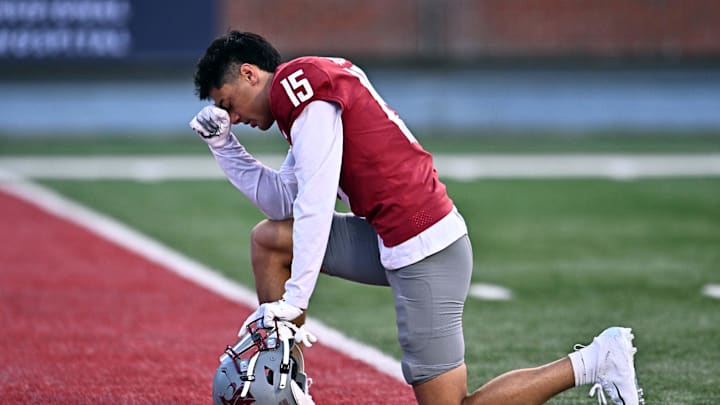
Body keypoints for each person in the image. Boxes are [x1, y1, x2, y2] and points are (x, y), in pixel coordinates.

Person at [189, 31, 644, 405]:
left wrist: (295, 300)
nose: (233, 116)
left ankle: (597, 359)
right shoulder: (301, 95)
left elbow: (314, 202)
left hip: (428, 251)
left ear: (249, 74)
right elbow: (282, 203)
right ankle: (288, 383)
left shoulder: (298, 85)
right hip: (393, 240)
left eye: (229, 103)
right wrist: (224, 147)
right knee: (270, 240)